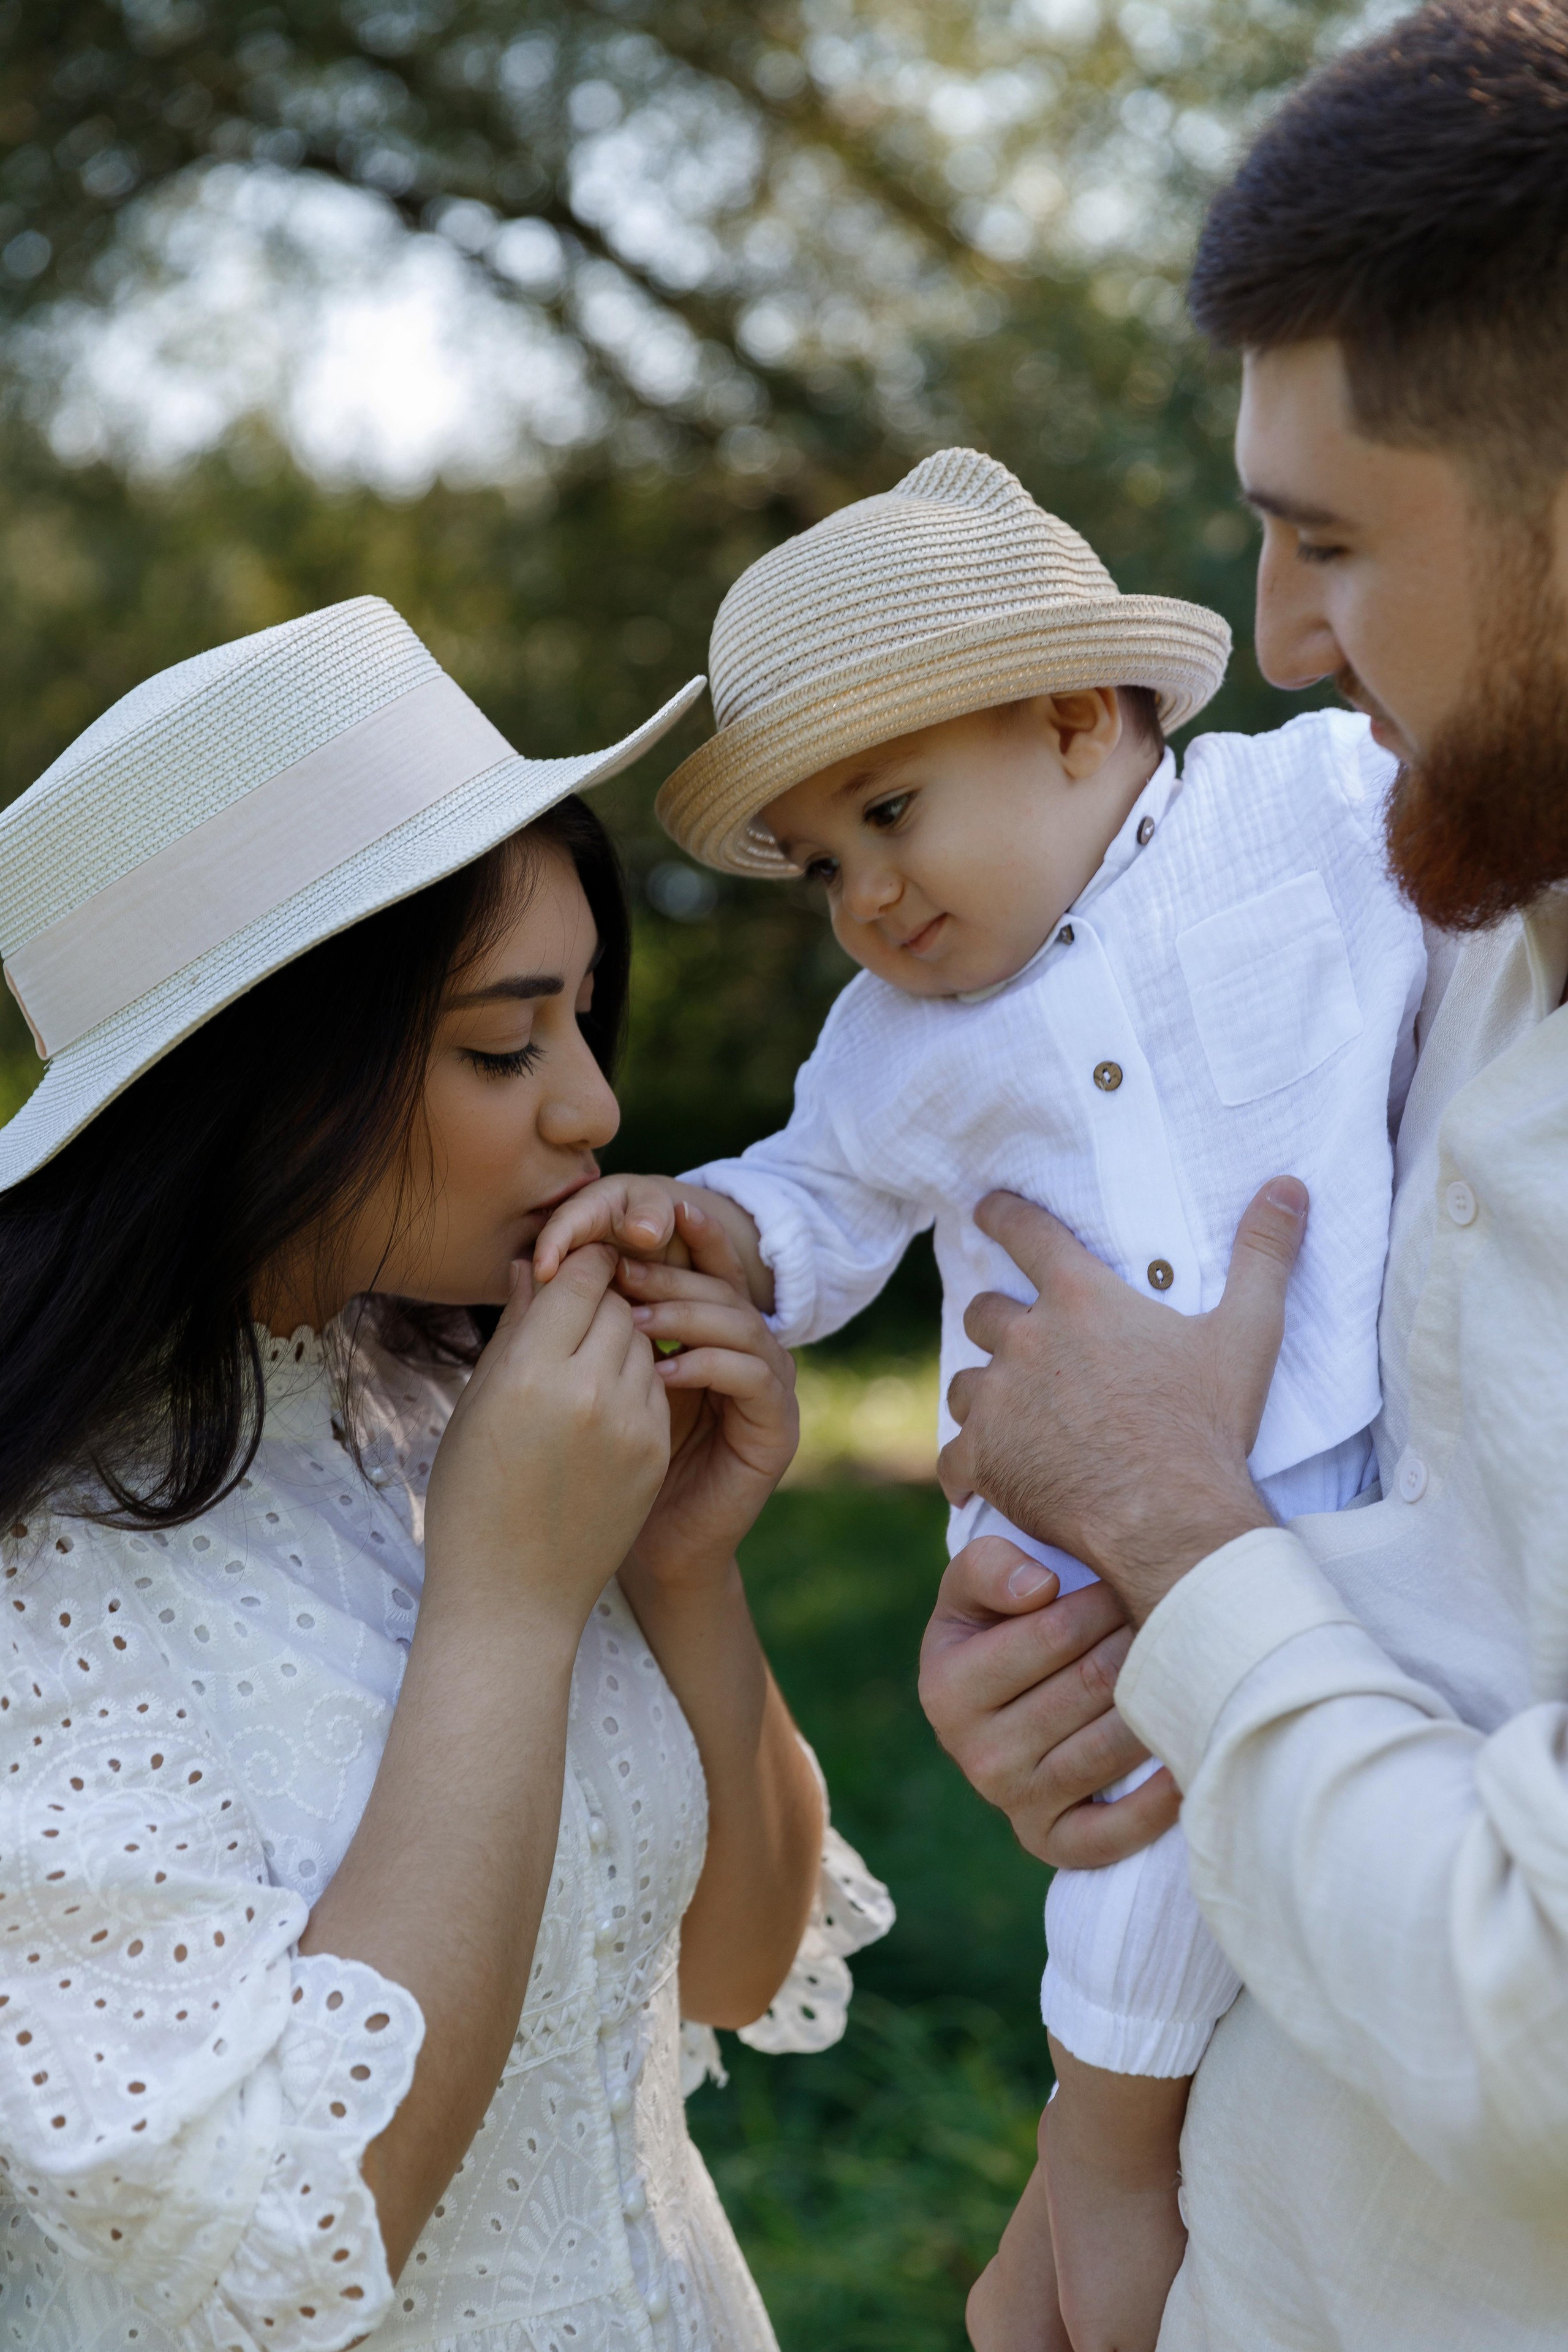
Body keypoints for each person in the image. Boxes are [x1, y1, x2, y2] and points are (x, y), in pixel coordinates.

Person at [527, 451, 1426, 2351]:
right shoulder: (891, 1050)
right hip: (1083, 1537)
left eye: (891, 811)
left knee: (1335, 1804)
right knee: (1136, 1825)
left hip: (1354, 1442)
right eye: (823, 859)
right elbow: (815, 1202)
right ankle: (1101, 2152)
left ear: (1080, 718)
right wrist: (715, 1225)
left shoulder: (1309, 808)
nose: (865, 894)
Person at [0, 595, 892, 2351]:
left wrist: (681, 1568)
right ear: (263, 1086)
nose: (593, 1111)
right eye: (507, 1043)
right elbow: (288, 2256)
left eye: (580, 1020)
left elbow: (722, 1964)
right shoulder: (47, 1581)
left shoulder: (431, 1391)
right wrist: (505, 1605)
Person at [921, 0, 1568, 2343]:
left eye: (1328, 544)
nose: (1283, 642)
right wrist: (1105, 1655)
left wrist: (1184, 1545)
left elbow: (1542, 2030)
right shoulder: (1440, 940)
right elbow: (1432, 1594)